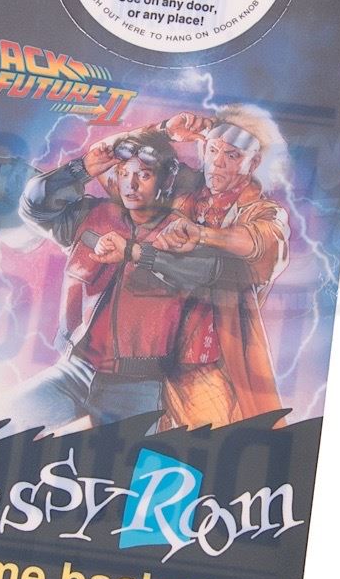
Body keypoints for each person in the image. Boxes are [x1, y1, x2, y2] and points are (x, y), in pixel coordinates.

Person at [0, 129, 223, 437]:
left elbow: (207, 271)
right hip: (76, 371)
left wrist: (134, 253)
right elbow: (33, 205)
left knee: (110, 458)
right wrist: (81, 169)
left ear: (165, 180)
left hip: (138, 387)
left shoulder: (182, 233)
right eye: (124, 173)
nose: (131, 184)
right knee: (2, 417)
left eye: (144, 175)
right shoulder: (91, 215)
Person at [122, 105, 291, 428]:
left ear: (253, 162)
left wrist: (202, 235)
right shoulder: (183, 190)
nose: (218, 162)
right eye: (213, 150)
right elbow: (120, 155)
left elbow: (260, 241)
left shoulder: (262, 211)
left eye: (232, 155)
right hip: (151, 351)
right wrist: (165, 129)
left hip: (207, 359)